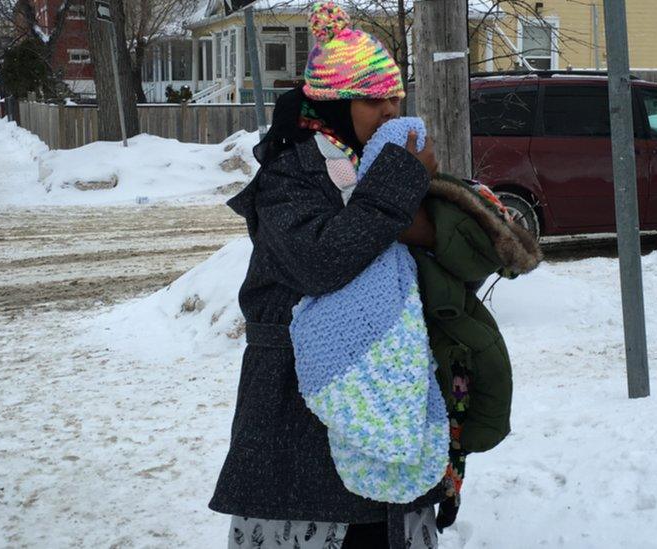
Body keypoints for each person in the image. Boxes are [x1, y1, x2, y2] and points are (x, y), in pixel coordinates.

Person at [210, 3, 443, 548]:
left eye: (394, 98)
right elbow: (322, 262)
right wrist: (403, 180)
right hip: (296, 415)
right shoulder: (290, 174)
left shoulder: (375, 164)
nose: (389, 111)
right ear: (334, 105)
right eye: (371, 99)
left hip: (385, 392)